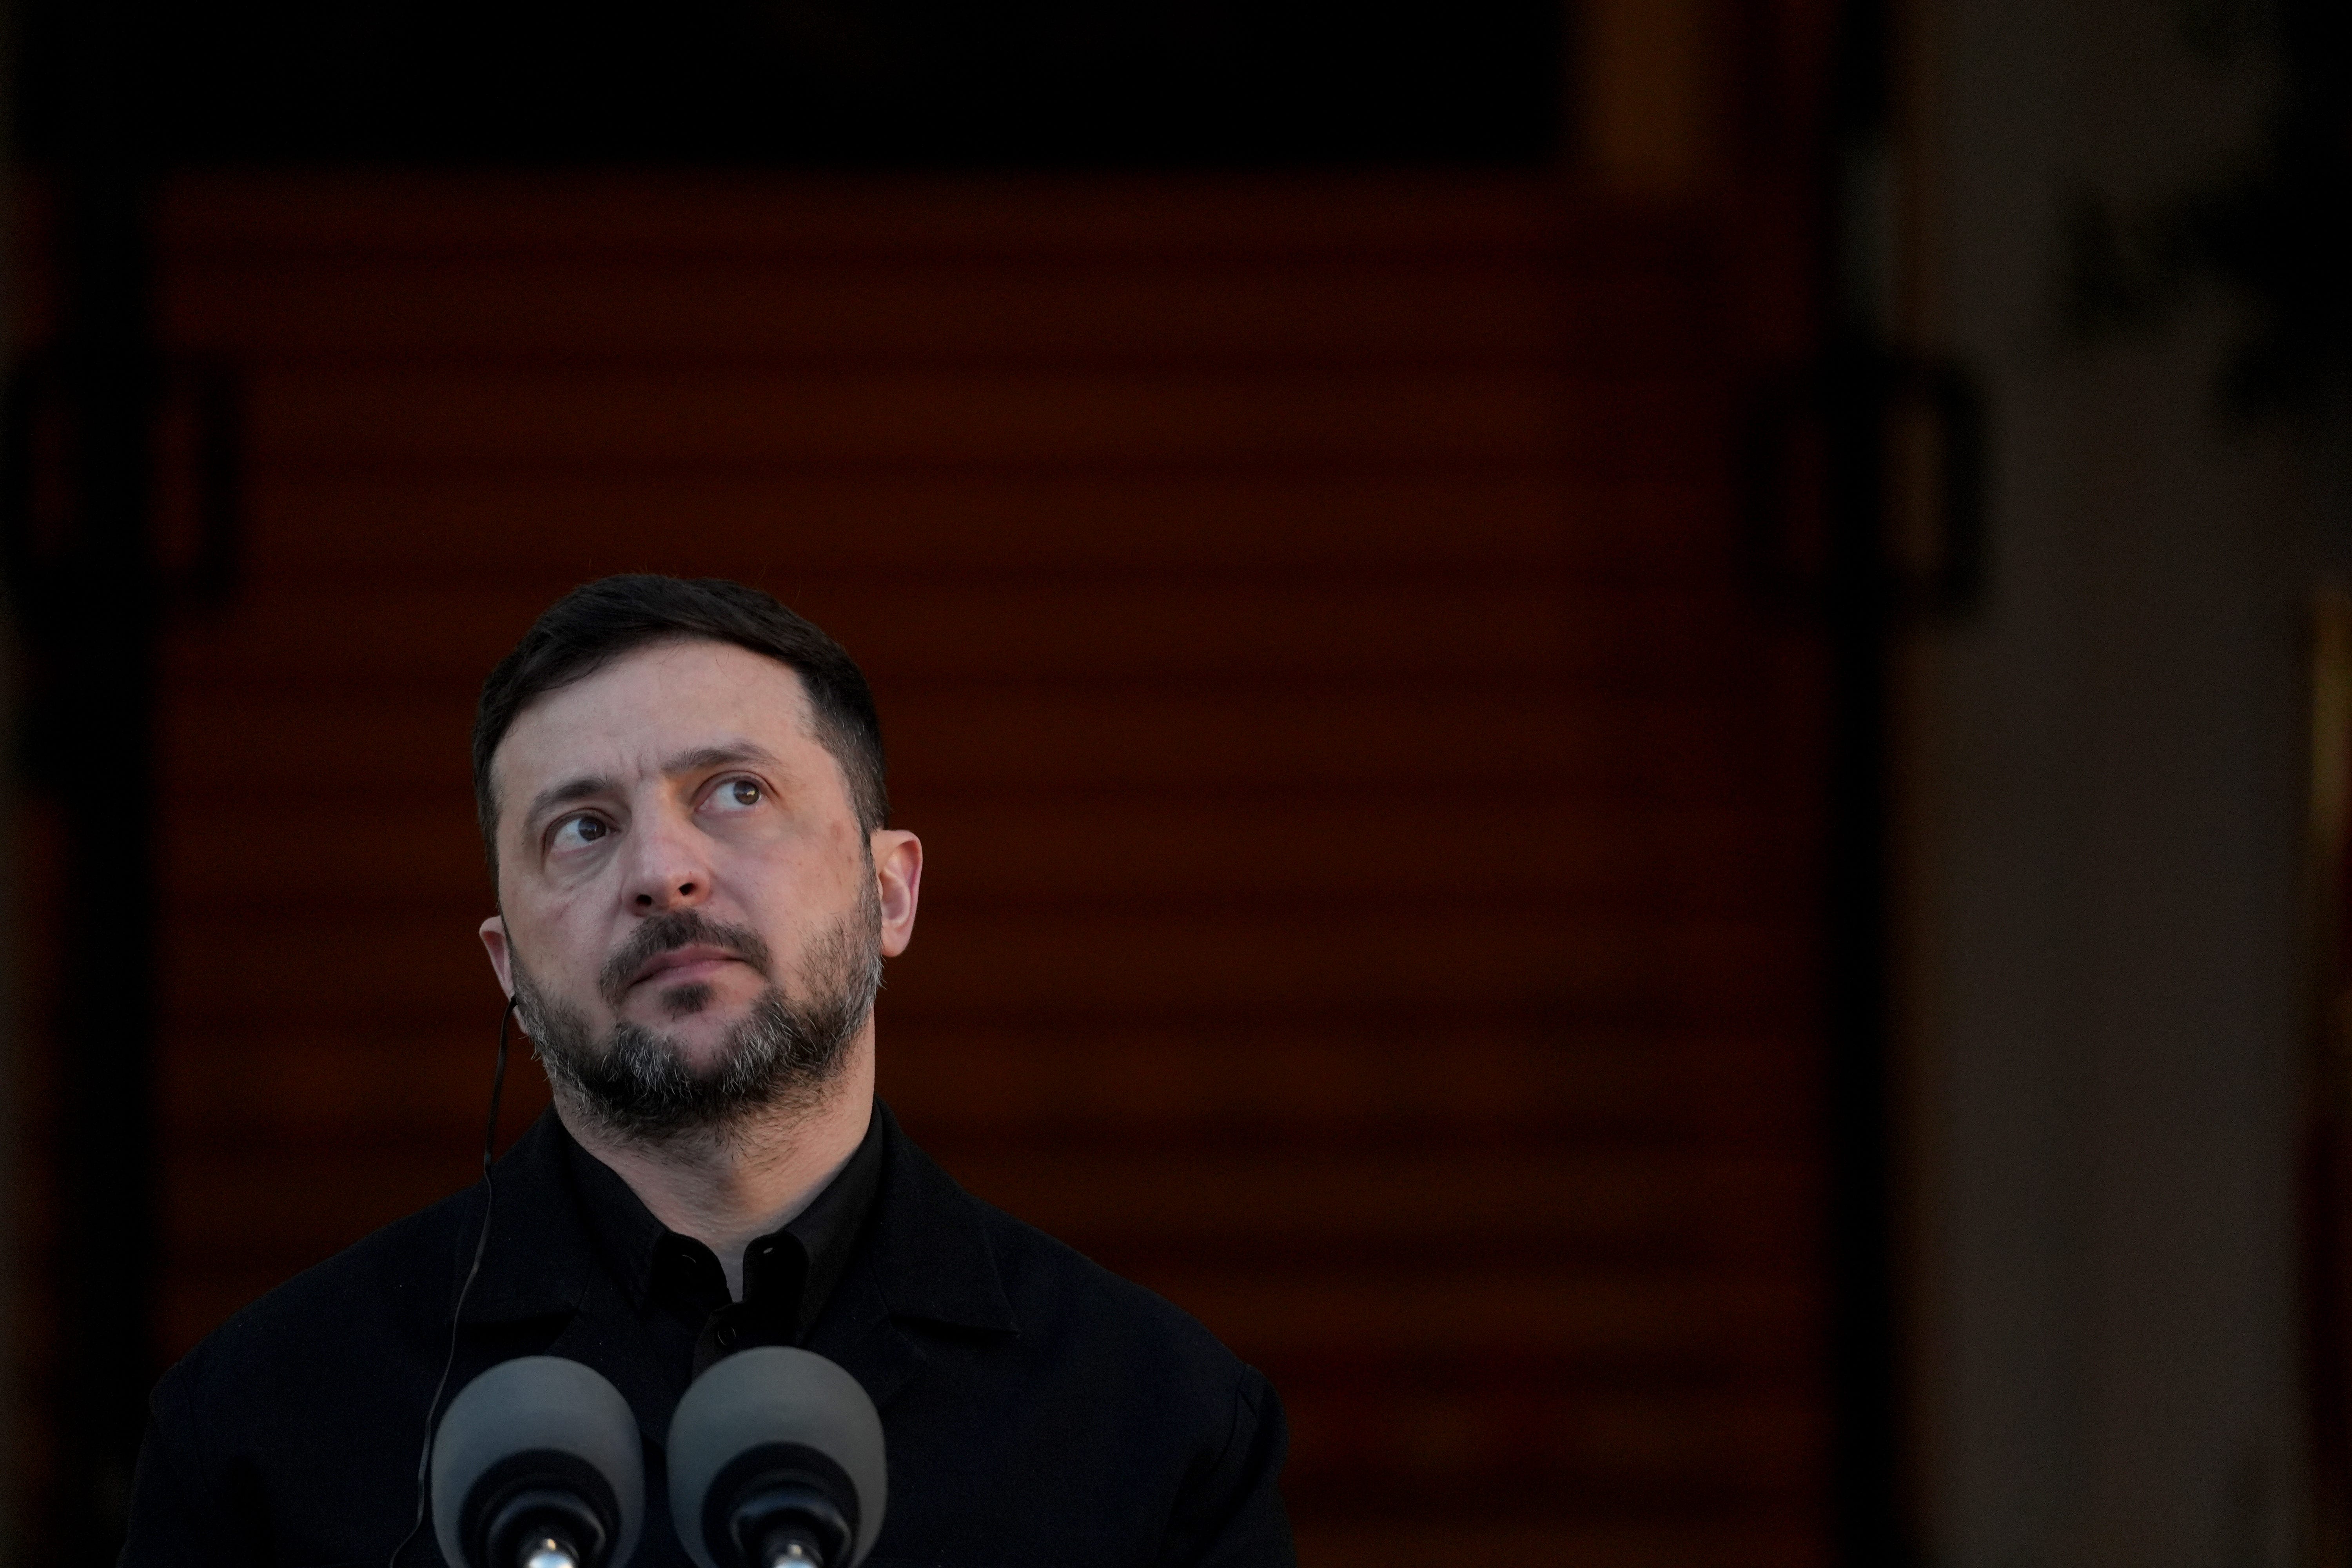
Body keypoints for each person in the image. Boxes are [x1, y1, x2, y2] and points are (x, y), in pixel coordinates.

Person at [120, 575, 1294, 1567]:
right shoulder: (260, 1434)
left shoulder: (1160, 1430)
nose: (663, 870)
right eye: (581, 826)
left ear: (890, 892)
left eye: (737, 793)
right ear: (507, 966)